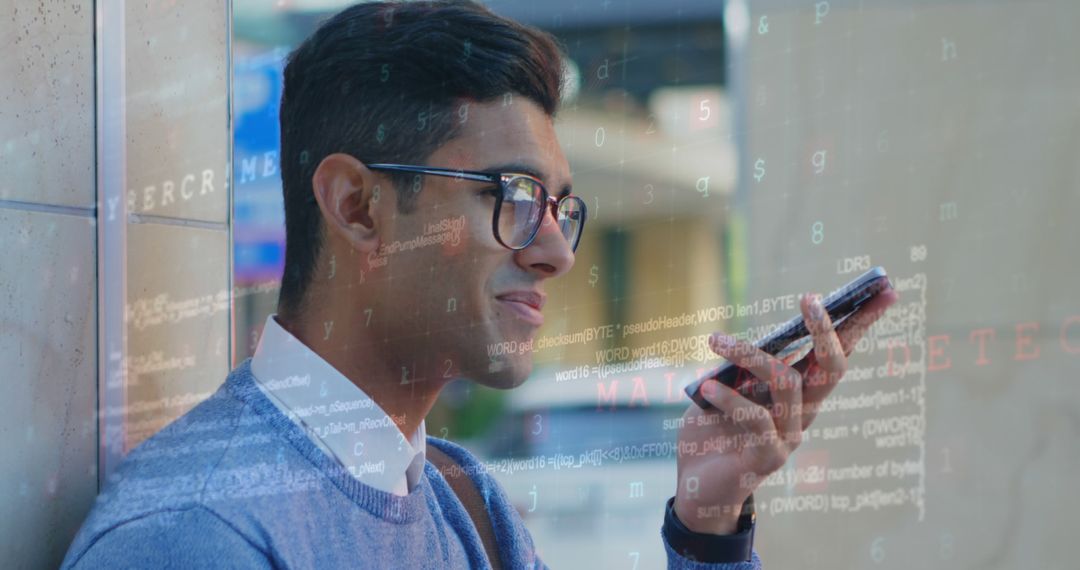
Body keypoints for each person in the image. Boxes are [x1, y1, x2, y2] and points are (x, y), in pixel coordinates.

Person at [62, 1, 897, 567]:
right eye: (513, 196)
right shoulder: (195, 536)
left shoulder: (465, 500)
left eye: (560, 207)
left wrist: (709, 522)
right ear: (358, 208)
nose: (555, 253)